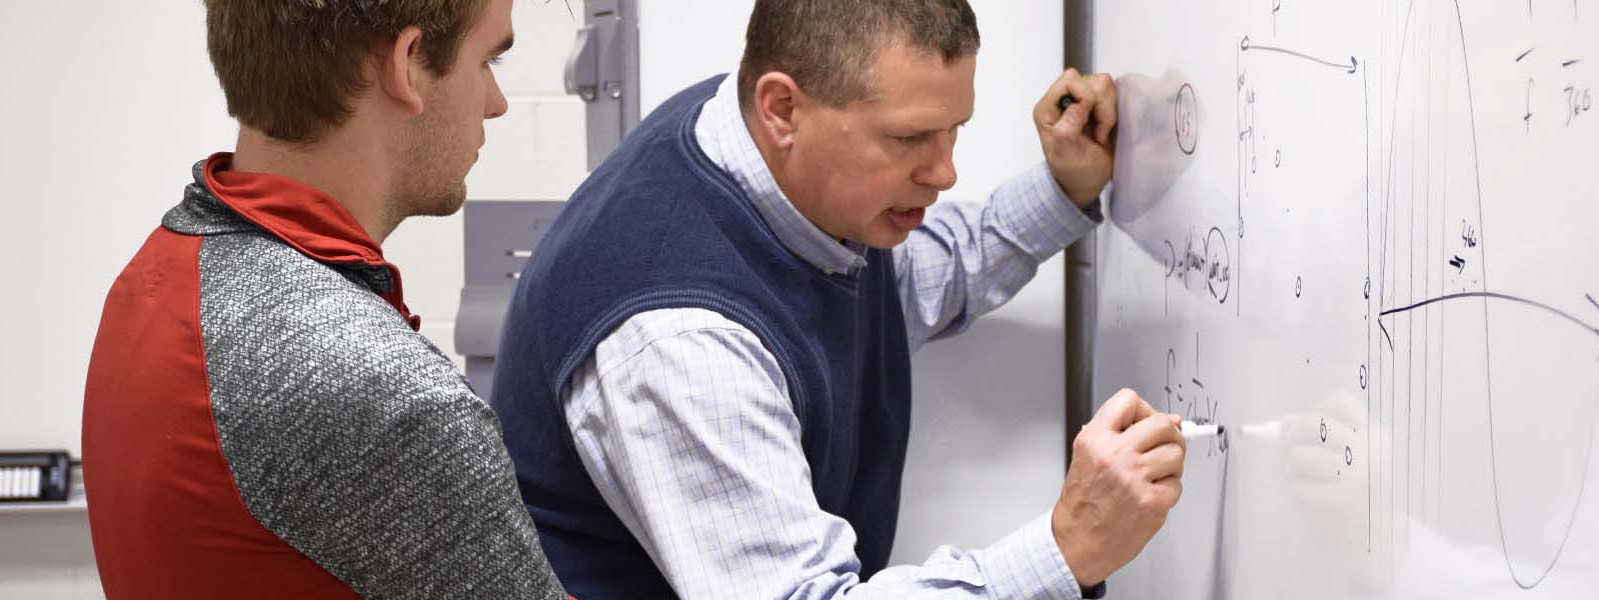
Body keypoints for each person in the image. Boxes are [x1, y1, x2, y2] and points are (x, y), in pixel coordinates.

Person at [489, 1, 1186, 598]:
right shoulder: (681, 343)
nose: (944, 171)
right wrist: (1067, 551)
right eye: (910, 138)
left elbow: (903, 286)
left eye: (955, 131)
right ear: (782, 107)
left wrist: (1065, 188)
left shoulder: (768, 158)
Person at [81, 1, 567, 598]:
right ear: (408, 64)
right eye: (488, 60)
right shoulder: (388, 395)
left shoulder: (158, 273)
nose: (496, 102)